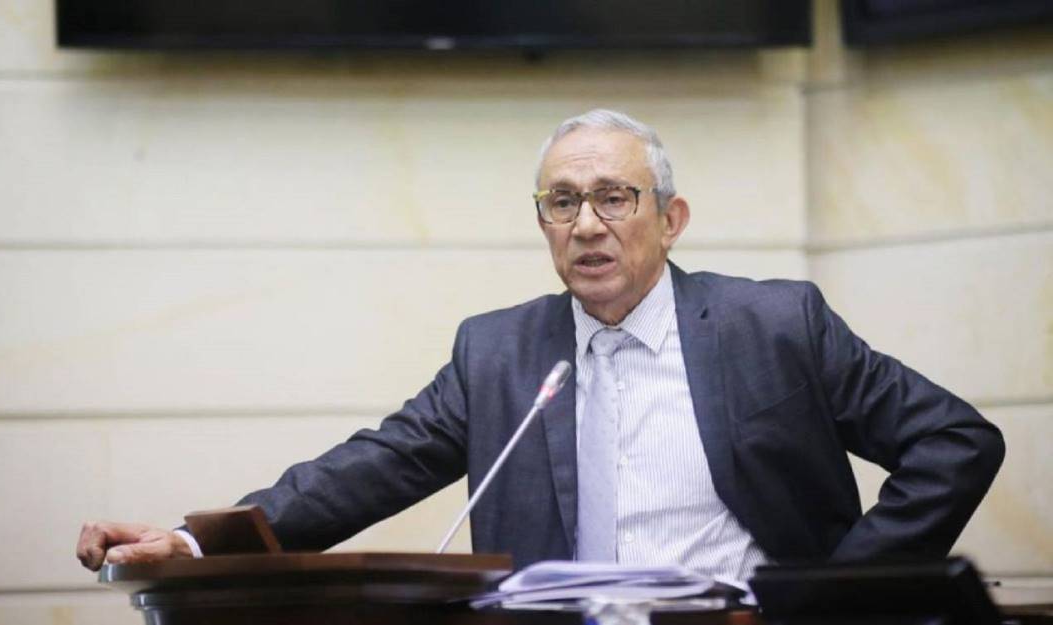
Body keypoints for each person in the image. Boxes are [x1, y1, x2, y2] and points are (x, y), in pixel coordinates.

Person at [77, 109, 1005, 579]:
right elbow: (366, 469)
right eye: (562, 201)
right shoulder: (501, 352)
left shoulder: (776, 323)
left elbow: (957, 441)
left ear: (670, 218)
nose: (587, 224)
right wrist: (200, 543)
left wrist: (844, 598)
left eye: (614, 197)